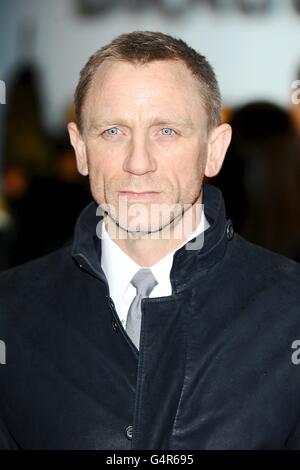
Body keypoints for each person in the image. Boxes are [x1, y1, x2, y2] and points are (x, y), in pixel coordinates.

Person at [0, 30, 300, 451]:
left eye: (167, 132)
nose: (137, 162)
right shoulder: (11, 312)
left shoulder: (290, 311)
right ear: (80, 148)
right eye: (113, 132)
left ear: (215, 150)